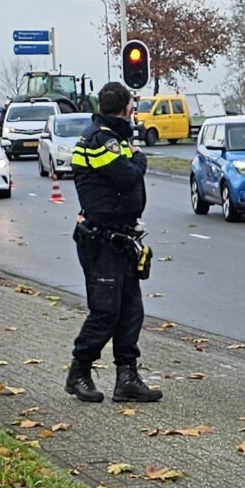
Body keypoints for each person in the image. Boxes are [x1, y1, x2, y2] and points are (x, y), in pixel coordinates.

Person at [66, 80, 159, 405]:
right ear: (126, 109)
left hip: (121, 239)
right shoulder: (99, 141)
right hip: (102, 240)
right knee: (105, 311)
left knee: (131, 310)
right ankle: (79, 372)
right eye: (132, 108)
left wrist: (132, 154)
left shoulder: (111, 137)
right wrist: (139, 159)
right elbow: (127, 175)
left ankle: (127, 377)